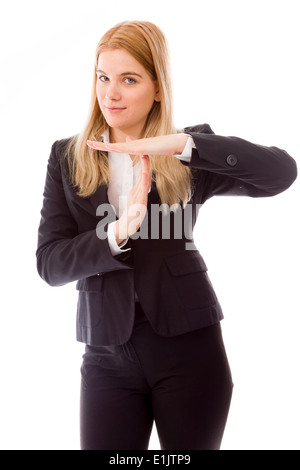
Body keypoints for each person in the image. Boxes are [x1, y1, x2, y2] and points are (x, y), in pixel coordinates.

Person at [36, 20, 297, 451]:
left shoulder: (189, 151)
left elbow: (281, 174)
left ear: (158, 88)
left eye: (129, 79)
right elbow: (49, 263)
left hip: (190, 350)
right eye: (103, 77)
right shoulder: (67, 156)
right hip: (106, 355)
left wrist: (183, 146)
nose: (110, 93)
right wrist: (116, 233)